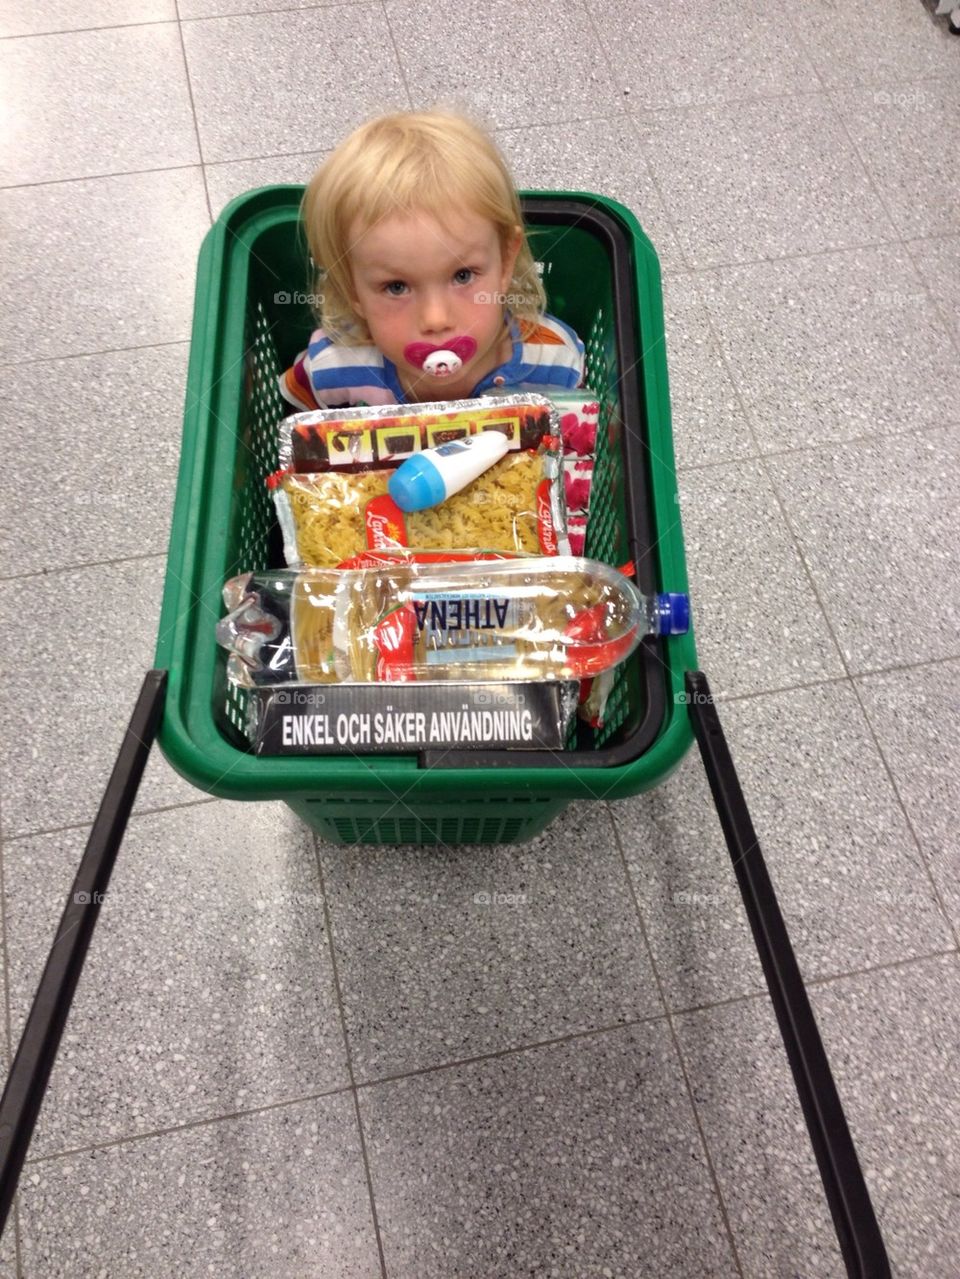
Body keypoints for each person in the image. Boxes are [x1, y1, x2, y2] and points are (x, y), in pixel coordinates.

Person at [278, 109, 585, 411]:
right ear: (351, 288)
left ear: (505, 261)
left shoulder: (553, 363)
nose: (436, 319)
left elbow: (579, 435)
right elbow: (298, 421)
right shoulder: (335, 366)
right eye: (396, 287)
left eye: (463, 276)